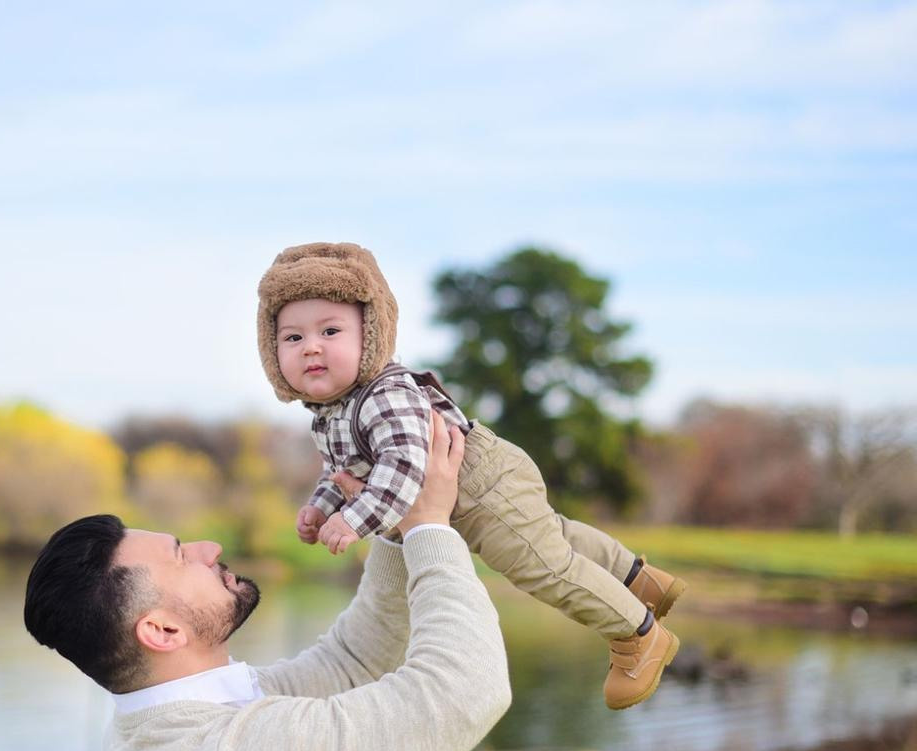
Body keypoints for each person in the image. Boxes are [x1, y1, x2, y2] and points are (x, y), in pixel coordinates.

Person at [24, 414, 509, 751]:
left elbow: (353, 661)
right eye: (182, 557)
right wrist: (430, 529)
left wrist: (396, 521)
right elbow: (468, 688)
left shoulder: (169, 728)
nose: (209, 548)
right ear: (162, 631)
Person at [257, 241, 686, 710]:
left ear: (372, 335)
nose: (311, 346)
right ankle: (639, 580)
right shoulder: (331, 413)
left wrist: (352, 520)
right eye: (292, 338)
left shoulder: (383, 395)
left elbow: (403, 468)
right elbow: (340, 471)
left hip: (480, 491)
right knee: (552, 537)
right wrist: (322, 507)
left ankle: (638, 634)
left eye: (330, 331)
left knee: (544, 568)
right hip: (487, 478)